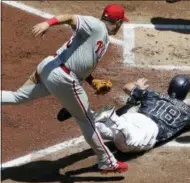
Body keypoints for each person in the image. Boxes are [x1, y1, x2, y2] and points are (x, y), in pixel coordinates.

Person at [1, 4, 129, 173]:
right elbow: (70, 17)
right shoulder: (96, 25)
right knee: (86, 119)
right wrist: (48, 23)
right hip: (63, 78)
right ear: (118, 22)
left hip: (49, 68)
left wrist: (92, 81)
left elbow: (79, 60)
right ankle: (107, 161)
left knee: (18, 97)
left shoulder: (100, 35)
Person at [57, 75, 190, 153]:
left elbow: (127, 87)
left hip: (133, 120)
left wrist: (138, 86)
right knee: (125, 139)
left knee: (102, 127)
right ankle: (106, 117)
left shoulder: (154, 95)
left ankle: (85, 111)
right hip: (144, 135)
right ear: (187, 92)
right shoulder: (189, 111)